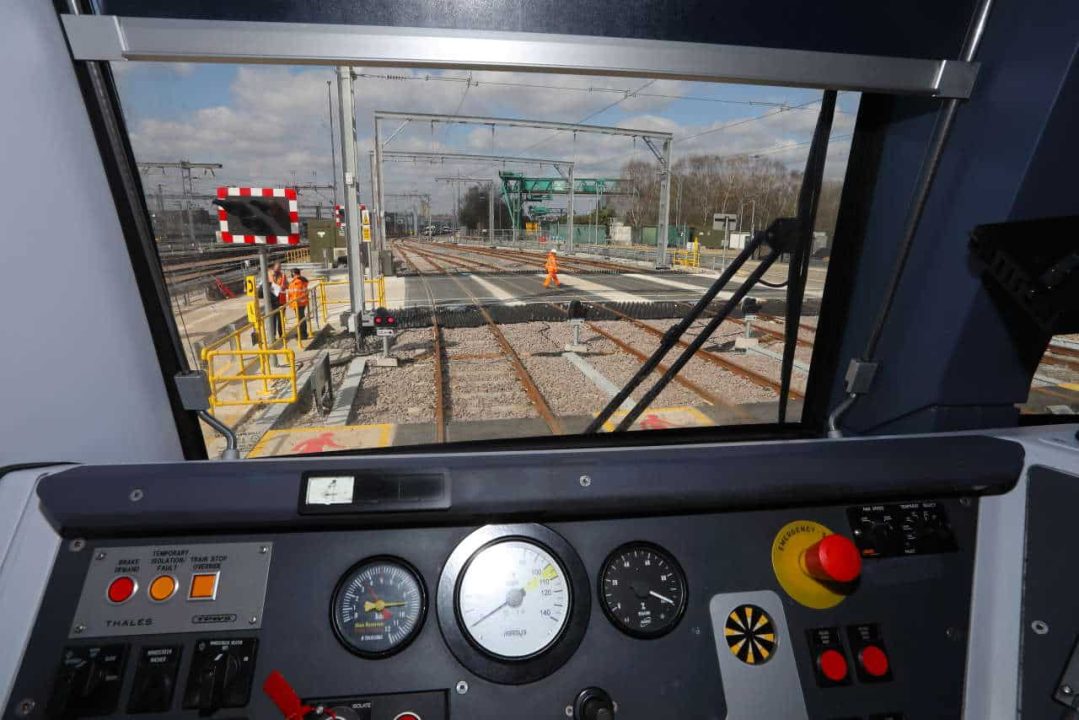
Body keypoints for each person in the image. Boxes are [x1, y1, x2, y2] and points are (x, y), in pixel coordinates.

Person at [287, 267, 311, 340]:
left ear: (294, 273)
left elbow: (296, 294)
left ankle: (303, 334)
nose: (290, 274)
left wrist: (293, 303)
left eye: (291, 273)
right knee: (301, 318)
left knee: (300, 319)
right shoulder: (300, 280)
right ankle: (302, 333)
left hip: (298, 303)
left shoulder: (297, 282)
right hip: (301, 303)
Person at [266, 260, 286, 339]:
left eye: (279, 268)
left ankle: (281, 334)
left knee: (281, 319)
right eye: (277, 268)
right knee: (273, 319)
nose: (278, 270)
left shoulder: (283, 276)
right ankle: (273, 335)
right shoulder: (269, 275)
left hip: (281, 300)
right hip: (273, 300)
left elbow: (286, 285)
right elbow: (268, 284)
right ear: (273, 268)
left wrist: (283, 286)